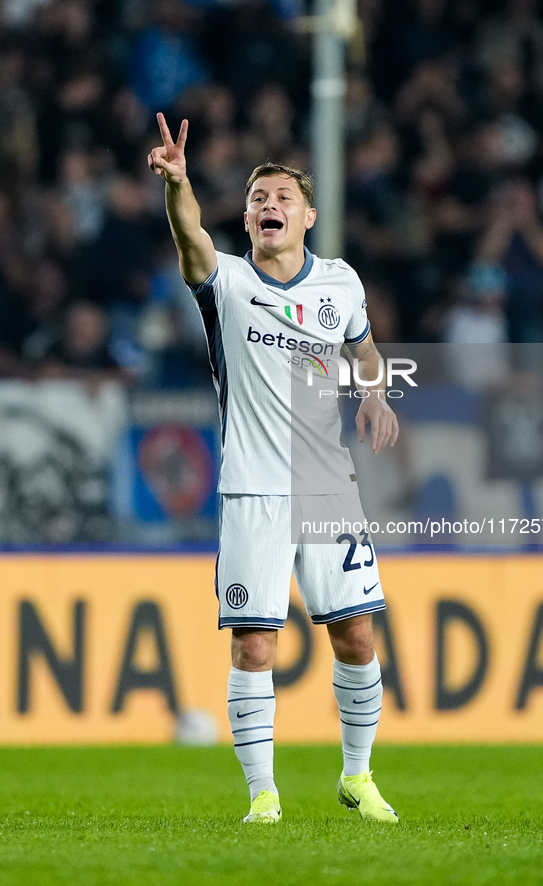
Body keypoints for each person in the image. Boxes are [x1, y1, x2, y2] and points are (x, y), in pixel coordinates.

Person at [148, 113, 399, 824]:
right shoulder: (225, 283)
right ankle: (263, 795)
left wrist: (375, 394)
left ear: (308, 216)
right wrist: (179, 183)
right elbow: (189, 234)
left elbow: (366, 348)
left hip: (328, 489)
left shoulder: (341, 285)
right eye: (258, 197)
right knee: (255, 641)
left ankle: (358, 777)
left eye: (281, 197)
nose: (268, 206)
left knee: (354, 633)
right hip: (252, 490)